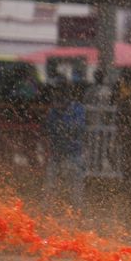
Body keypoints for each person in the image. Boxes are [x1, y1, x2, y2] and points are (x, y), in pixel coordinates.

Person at [41, 81, 87, 212]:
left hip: (73, 153)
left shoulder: (77, 109)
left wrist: (61, 124)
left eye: (61, 94)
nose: (59, 98)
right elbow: (47, 129)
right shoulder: (53, 111)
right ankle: (47, 210)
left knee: (75, 185)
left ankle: (77, 210)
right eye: (57, 95)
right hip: (57, 153)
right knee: (50, 184)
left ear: (68, 95)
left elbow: (78, 127)